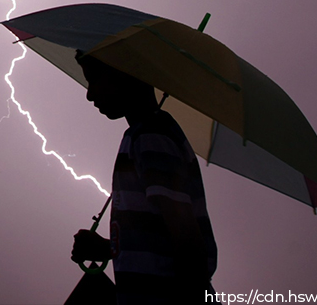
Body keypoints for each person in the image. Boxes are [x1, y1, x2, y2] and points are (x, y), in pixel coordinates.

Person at [70, 53, 217, 304]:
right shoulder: (141, 135)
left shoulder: (152, 136)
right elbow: (160, 241)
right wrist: (109, 249)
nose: (89, 94)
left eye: (94, 79)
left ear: (125, 73)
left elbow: (187, 243)